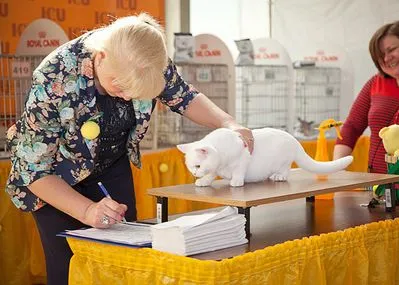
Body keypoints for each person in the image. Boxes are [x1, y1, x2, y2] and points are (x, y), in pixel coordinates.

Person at [5, 13, 254, 285]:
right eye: (120, 86)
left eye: (135, 94)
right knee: (68, 265)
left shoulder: (147, 55)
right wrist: (88, 212)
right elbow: (34, 172)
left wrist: (228, 122)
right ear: (101, 57)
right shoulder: (54, 77)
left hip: (110, 164)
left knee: (125, 259)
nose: (125, 97)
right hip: (54, 177)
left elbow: (185, 97)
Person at [333, 20, 399, 174]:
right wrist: (337, 168)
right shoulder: (376, 83)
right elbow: (351, 127)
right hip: (378, 190)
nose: (386, 58)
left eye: (391, 49)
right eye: (380, 56)